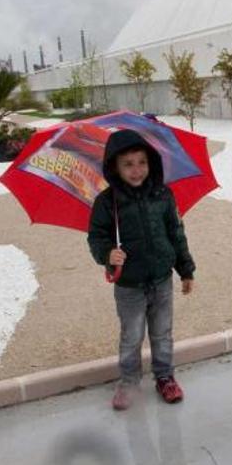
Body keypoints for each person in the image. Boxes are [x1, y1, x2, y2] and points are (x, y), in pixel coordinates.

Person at [88, 129, 196, 411]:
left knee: (162, 333)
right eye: (128, 164)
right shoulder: (106, 202)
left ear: (152, 163)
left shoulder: (163, 195)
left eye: (142, 162)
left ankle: (165, 377)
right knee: (132, 337)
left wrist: (185, 269)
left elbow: (176, 233)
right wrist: (107, 253)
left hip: (161, 280)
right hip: (130, 286)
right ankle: (129, 382)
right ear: (114, 167)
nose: (137, 170)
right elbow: (97, 237)